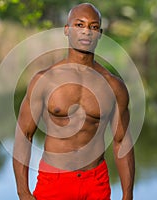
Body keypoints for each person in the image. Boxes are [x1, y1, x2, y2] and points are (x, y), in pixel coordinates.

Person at [13, 3, 135, 200]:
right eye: (80, 25)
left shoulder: (114, 86)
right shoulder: (44, 80)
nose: (86, 32)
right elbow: (24, 135)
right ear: (67, 30)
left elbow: (122, 141)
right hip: (54, 180)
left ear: (100, 33)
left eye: (93, 27)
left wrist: (128, 195)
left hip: (96, 183)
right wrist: (23, 191)